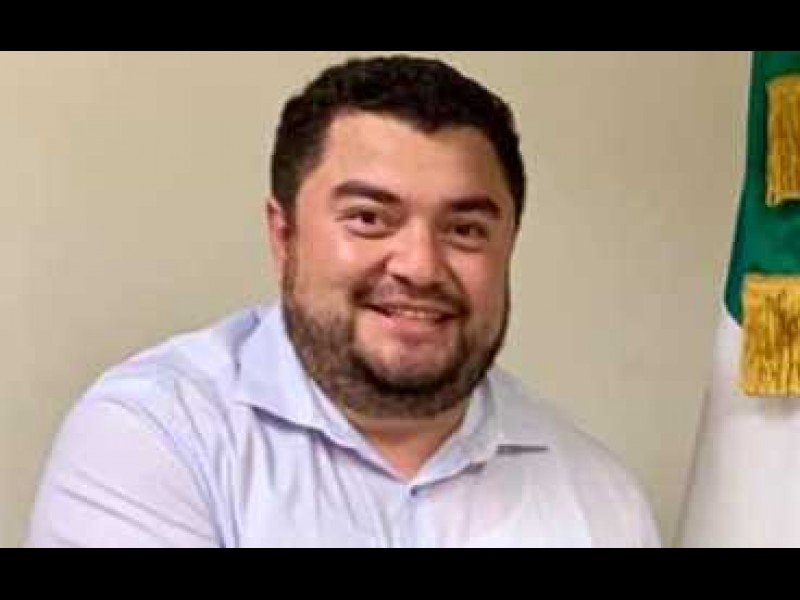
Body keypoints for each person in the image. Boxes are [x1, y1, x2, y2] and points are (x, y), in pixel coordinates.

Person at [26, 55, 660, 547]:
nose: (420, 266)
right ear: (285, 236)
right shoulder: (157, 436)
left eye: (465, 229)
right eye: (369, 219)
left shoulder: (599, 497)